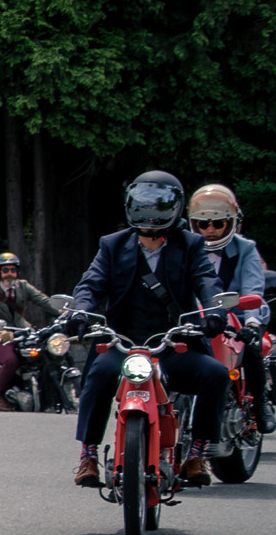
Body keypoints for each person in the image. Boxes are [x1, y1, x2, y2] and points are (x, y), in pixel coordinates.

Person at [60, 172, 227, 486]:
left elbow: (207, 281)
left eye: (159, 208)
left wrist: (215, 311)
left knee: (216, 375)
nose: (150, 217)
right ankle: (89, 455)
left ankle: (197, 454)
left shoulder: (190, 244)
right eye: (142, 207)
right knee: (97, 375)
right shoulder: (112, 245)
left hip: (173, 345)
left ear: (175, 209)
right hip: (124, 346)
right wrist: (80, 311)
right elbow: (91, 284)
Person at [189, 183, 275, 434]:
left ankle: (260, 404)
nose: (210, 230)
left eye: (218, 223)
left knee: (251, 345)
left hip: (237, 311)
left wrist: (251, 323)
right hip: (194, 315)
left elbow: (252, 289)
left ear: (231, 222)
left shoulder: (246, 248)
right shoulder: (184, 246)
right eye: (202, 225)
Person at [0, 251, 62, 408]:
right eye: (5, 270)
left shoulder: (23, 286)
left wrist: (65, 313)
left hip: (22, 332)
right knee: (11, 360)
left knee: (44, 353)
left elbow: (43, 301)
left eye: (13, 270)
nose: (10, 274)